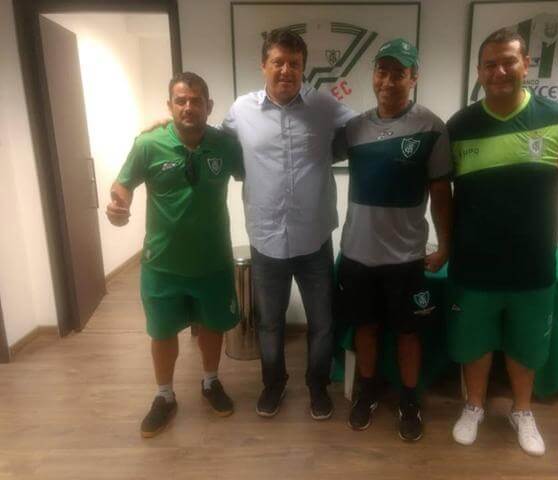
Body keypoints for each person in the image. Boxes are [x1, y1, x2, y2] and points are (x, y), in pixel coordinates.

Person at [446, 29, 558, 456]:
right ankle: (474, 406)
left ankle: (522, 411)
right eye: (490, 64)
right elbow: (441, 192)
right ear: (479, 72)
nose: (499, 71)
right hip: (473, 264)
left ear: (526, 64)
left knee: (526, 346)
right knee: (475, 344)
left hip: (533, 265)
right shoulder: (459, 127)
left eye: (508, 61)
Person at [222, 29, 355, 420]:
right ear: (263, 65)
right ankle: (273, 385)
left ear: (303, 68)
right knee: (270, 323)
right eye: (278, 62)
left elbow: (365, 128)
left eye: (294, 63)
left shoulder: (324, 107)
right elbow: (213, 142)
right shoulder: (241, 110)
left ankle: (317, 387)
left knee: (323, 323)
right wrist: (164, 124)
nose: (286, 70)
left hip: (314, 239)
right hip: (266, 240)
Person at [106, 72, 243, 437]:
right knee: (163, 332)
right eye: (180, 100)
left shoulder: (225, 145)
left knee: (213, 325)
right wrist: (118, 207)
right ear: (169, 106)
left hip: (213, 261)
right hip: (162, 265)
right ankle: (164, 395)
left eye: (196, 101)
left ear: (208, 106)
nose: (188, 107)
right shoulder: (148, 144)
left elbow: (258, 172)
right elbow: (122, 185)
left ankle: (210, 382)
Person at [334, 38, 453, 442]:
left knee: (407, 333)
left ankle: (409, 399)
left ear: (413, 78)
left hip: (406, 258)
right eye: (381, 71)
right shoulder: (353, 129)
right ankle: (367, 392)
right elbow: (305, 147)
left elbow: (441, 193)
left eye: (398, 73)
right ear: (373, 75)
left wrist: (446, 245)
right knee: (365, 329)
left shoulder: (432, 127)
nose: (387, 80)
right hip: (357, 255)